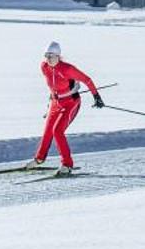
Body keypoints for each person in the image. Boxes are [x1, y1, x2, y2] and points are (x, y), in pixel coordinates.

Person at [30, 41, 103, 175]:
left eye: (51, 56)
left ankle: (67, 164)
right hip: (55, 102)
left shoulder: (67, 69)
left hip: (70, 103)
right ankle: (39, 159)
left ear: (58, 56)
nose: (48, 59)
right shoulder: (44, 67)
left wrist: (96, 97)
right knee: (47, 131)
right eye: (46, 55)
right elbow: (53, 85)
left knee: (57, 131)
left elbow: (87, 80)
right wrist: (51, 99)